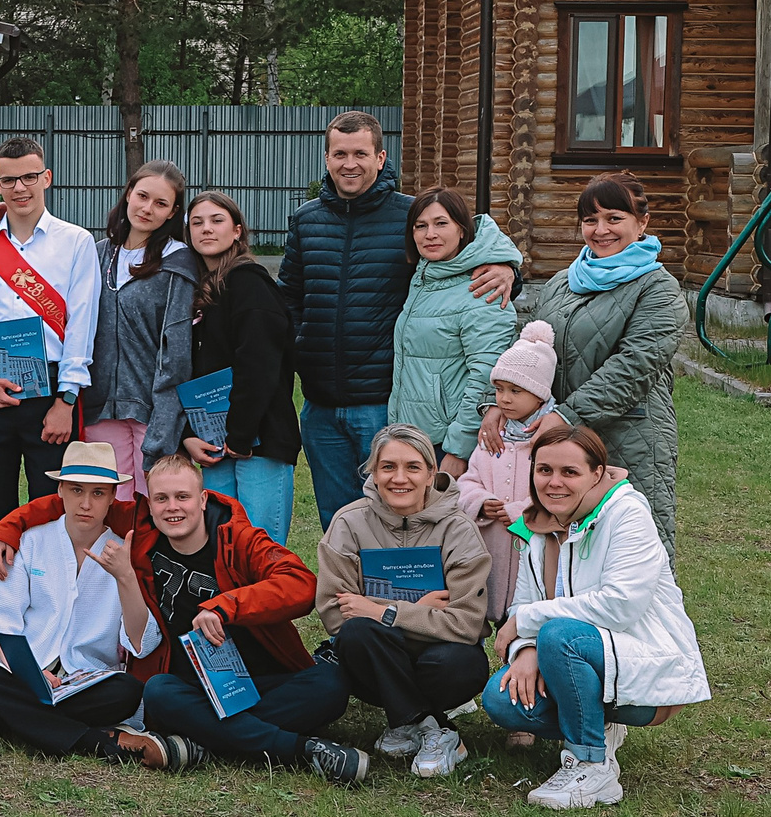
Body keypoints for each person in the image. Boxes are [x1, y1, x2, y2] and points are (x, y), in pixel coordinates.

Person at [0, 453, 367, 784]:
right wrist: (8, 529)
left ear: (202, 499)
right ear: (148, 505)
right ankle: (301, 750)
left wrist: (226, 606)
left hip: (262, 679)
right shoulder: (139, 529)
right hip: (192, 686)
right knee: (158, 693)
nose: (173, 508)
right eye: (162, 498)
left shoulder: (240, 539)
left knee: (331, 684)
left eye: (183, 497)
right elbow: (72, 506)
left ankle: (206, 737)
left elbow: (301, 584)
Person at [282, 111, 516, 529]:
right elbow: (289, 296)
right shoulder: (306, 220)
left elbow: (471, 242)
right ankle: (346, 595)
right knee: (337, 522)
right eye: (339, 153)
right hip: (319, 405)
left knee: (397, 521)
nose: (349, 163)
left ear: (380, 157)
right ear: (326, 158)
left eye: (360, 153)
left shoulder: (409, 217)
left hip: (383, 404)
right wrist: (302, 343)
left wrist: (509, 267)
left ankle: (394, 595)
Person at [482, 425, 707, 810]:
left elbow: (621, 605)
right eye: (544, 470)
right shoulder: (536, 524)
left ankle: (591, 763)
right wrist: (525, 652)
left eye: (570, 472)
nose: (554, 483)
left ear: (597, 474)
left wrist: (533, 624)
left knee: (559, 635)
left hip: (645, 662)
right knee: (501, 701)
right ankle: (597, 724)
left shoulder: (627, 513)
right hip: (573, 649)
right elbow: (523, 604)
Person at [0, 441, 184, 768]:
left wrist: (126, 578)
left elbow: (140, 643)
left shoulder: (121, 551)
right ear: (60, 489)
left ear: (113, 497)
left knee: (127, 692)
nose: (85, 503)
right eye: (76, 490)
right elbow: (0, 622)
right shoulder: (32, 540)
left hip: (85, 681)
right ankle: (98, 742)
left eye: (98, 493)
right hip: (18, 674)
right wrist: (30, 674)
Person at [479, 173, 682, 553]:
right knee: (557, 546)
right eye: (590, 220)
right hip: (557, 441)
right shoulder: (562, 283)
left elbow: (634, 367)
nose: (601, 230)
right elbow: (528, 354)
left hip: (628, 438)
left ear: (642, 223)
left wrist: (567, 416)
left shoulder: (658, 288)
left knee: (631, 548)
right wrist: (497, 403)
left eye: (614, 218)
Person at [0, 136, 101, 596]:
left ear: (46, 178)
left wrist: (65, 399)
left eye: (29, 177)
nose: (19, 188)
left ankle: (50, 614)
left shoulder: (76, 242)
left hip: (49, 393)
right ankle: (0, 617)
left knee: (50, 507)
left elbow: (81, 325)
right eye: (9, 180)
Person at [312, 424, 493, 777]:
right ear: (373, 474)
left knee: (458, 662)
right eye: (388, 467)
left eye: (412, 467)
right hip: (374, 657)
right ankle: (433, 729)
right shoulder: (348, 523)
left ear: (430, 474)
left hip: (442, 660)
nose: (400, 478)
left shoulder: (459, 529)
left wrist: (383, 610)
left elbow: (466, 624)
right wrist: (423, 611)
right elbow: (337, 616)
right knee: (356, 634)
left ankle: (405, 721)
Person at [179, 191, 300, 544]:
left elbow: (258, 365)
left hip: (258, 441)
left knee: (259, 545)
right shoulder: (201, 286)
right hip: (215, 441)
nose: (206, 229)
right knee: (220, 544)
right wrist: (194, 433)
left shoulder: (249, 283)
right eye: (197, 223)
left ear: (236, 231)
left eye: (217, 221)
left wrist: (240, 435)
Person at [81, 160, 203, 503]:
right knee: (109, 507)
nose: (148, 208)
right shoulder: (97, 253)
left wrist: (164, 430)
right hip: (100, 408)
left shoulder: (177, 263)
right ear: (128, 195)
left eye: (160, 203)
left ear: (172, 213)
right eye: (142, 196)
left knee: (153, 507)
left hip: (152, 411)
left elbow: (175, 354)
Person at [387, 187, 521, 480]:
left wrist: (458, 450)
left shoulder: (482, 287)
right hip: (415, 438)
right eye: (420, 226)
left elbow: (487, 375)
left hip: (448, 445)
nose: (429, 234)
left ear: (462, 229)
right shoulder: (425, 279)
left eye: (441, 223)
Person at [455, 322, 559, 622]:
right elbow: (468, 481)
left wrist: (520, 510)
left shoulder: (552, 440)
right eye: (499, 389)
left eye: (516, 391)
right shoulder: (493, 437)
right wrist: (480, 502)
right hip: (491, 549)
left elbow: (559, 492)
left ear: (539, 395)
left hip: (534, 552)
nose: (504, 399)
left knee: (529, 618)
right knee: (491, 616)